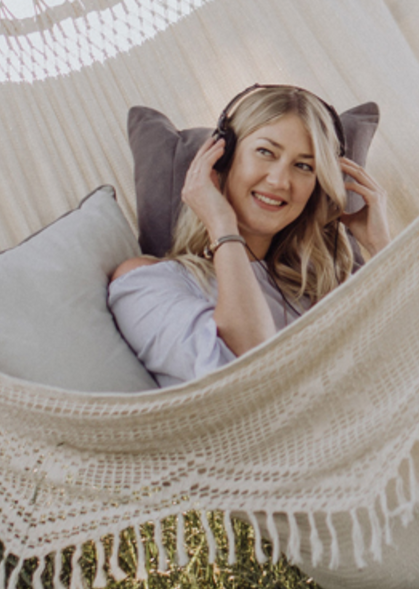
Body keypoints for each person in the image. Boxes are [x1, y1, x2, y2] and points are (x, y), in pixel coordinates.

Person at [108, 85, 389, 386]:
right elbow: (248, 377)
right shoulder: (146, 280)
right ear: (222, 160)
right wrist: (222, 225)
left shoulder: (319, 290)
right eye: (265, 152)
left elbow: (409, 358)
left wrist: (383, 248)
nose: (280, 181)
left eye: (304, 166)